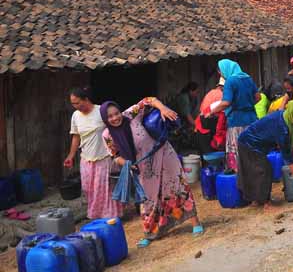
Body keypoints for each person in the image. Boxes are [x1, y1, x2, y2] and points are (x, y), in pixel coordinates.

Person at [101, 99, 203, 247]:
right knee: (148, 200)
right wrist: (127, 164)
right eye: (110, 116)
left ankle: (195, 223)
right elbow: (115, 156)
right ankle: (150, 233)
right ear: (105, 118)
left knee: (178, 186)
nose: (115, 118)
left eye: (116, 113)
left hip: (163, 152)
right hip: (143, 167)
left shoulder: (130, 114)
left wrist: (163, 109)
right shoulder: (107, 135)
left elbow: (149, 100)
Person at [237, 100, 293, 208]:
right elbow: (288, 158)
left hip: (254, 143)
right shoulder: (282, 129)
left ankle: (257, 201)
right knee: (264, 170)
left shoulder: (284, 116)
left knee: (255, 171)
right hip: (249, 143)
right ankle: (265, 203)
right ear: (292, 113)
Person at [64, 87, 118, 219]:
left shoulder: (101, 111)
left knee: (104, 190)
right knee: (89, 189)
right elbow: (76, 136)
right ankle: (96, 216)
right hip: (86, 159)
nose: (75, 106)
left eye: (77, 103)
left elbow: (115, 127)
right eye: (73, 103)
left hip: (103, 157)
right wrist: (70, 156)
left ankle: (110, 216)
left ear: (86, 99)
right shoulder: (76, 116)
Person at [207, 59, 258, 171]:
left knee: (237, 153)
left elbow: (226, 102)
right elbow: (258, 97)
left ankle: (239, 179)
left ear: (226, 69)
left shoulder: (230, 81)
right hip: (252, 120)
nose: (221, 74)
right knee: (252, 150)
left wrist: (212, 112)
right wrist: (247, 104)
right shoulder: (248, 78)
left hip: (237, 122)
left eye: (220, 72)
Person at [195, 76, 226, 154]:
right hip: (207, 126)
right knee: (211, 155)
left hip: (201, 126)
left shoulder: (211, 92)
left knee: (205, 155)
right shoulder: (221, 95)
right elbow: (222, 117)